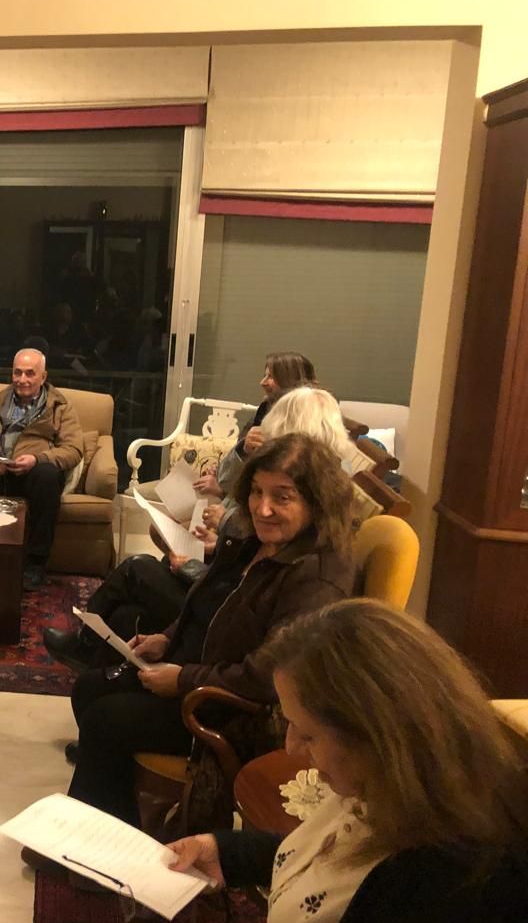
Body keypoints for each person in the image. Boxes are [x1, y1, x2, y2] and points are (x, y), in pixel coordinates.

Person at [168, 600, 528, 923]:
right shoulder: (381, 789)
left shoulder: (438, 886)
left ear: (378, 739)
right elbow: (335, 854)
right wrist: (227, 853)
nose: (291, 748)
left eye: (308, 735)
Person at [66, 433, 355, 826]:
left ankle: (96, 833)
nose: (263, 508)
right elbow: (206, 599)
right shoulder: (255, 541)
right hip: (198, 668)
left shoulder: (317, 576)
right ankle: (115, 806)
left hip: (228, 707)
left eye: (282, 497)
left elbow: (268, 676)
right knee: (89, 688)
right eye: (256, 491)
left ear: (316, 501)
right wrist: (167, 637)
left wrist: (183, 679)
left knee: (106, 719)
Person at [42, 385, 356, 675]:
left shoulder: (311, 504)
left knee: (135, 569)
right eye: (257, 493)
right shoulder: (282, 474)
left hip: (221, 610)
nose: (264, 507)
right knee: (127, 615)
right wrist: (217, 542)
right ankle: (104, 672)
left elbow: (247, 584)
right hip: (217, 577)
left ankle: (87, 647)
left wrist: (199, 559)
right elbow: (237, 528)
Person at [0, 348, 84, 589]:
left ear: (43, 377)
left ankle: (35, 563)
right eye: (17, 373)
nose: (22, 379)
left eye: (30, 373)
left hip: (31, 475)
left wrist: (37, 459)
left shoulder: (60, 406)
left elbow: (73, 449)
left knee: (48, 476)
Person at [202, 351, 316, 499]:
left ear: (290, 380)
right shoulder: (259, 418)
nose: (262, 382)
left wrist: (224, 504)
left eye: (271, 376)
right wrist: (243, 451)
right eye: (265, 375)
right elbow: (226, 480)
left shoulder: (313, 429)